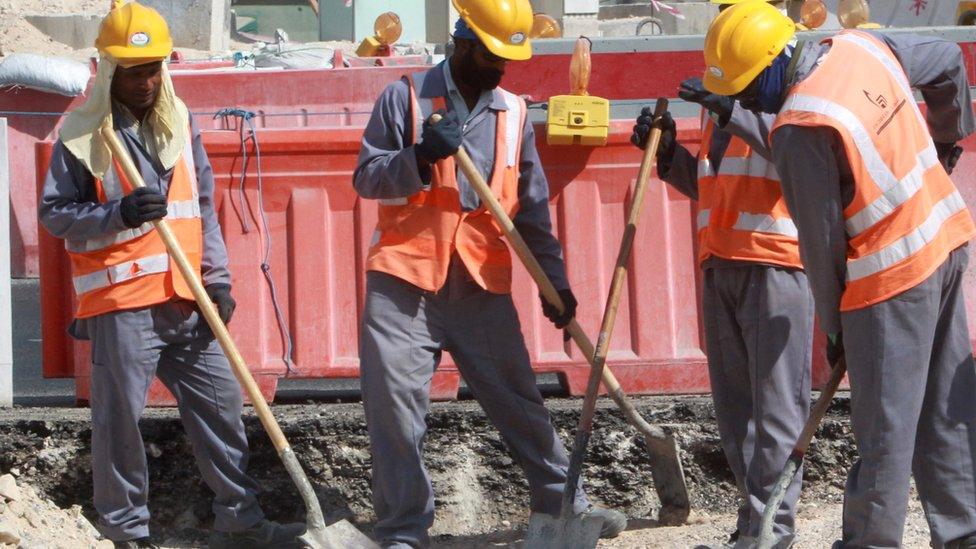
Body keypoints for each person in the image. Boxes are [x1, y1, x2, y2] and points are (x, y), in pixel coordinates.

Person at [701, 2, 976, 547]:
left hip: (891, 278)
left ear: (780, 60)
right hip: (945, 239)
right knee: (946, 407)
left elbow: (820, 246)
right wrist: (948, 141)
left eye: (751, 90)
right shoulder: (862, 47)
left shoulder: (800, 127)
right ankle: (964, 531)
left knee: (883, 434)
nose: (750, 104)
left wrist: (835, 329)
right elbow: (947, 58)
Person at [352, 0, 626, 546]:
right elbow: (366, 178)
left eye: (508, 58)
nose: (502, 67)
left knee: (519, 399)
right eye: (492, 55)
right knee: (395, 412)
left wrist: (556, 282)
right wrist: (420, 155)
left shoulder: (516, 113)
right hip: (406, 281)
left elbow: (532, 210)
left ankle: (565, 504)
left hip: (479, 282)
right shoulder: (404, 96)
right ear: (462, 40)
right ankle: (403, 530)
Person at [38, 2, 305, 548]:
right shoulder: (82, 136)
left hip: (186, 297)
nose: (147, 80)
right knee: (118, 426)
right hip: (122, 302)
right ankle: (125, 531)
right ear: (110, 70)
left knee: (221, 407)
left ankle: (241, 521)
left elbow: (201, 206)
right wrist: (117, 213)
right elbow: (55, 214)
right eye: (135, 70)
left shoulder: (180, 123)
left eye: (155, 67)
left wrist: (219, 278)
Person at [632, 2, 811, 547]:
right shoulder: (726, 91)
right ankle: (752, 527)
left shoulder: (795, 87)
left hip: (776, 263)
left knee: (777, 415)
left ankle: (770, 534)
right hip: (722, 263)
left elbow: (797, 156)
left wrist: (734, 113)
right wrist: (667, 157)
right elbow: (717, 185)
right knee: (737, 418)